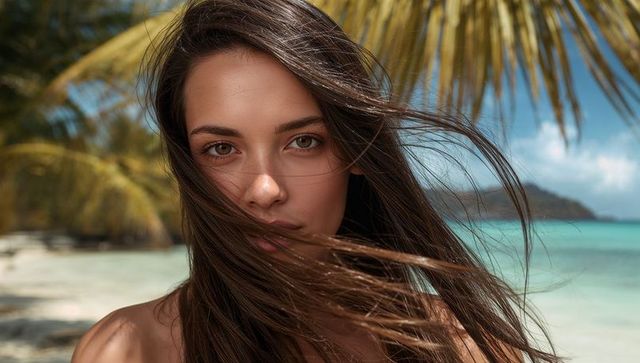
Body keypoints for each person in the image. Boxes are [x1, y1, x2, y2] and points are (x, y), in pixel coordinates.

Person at [72, 0, 560, 362]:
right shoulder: (130, 348)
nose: (264, 190)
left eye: (303, 142)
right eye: (221, 149)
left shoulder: (465, 345)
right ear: (190, 166)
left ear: (357, 150)